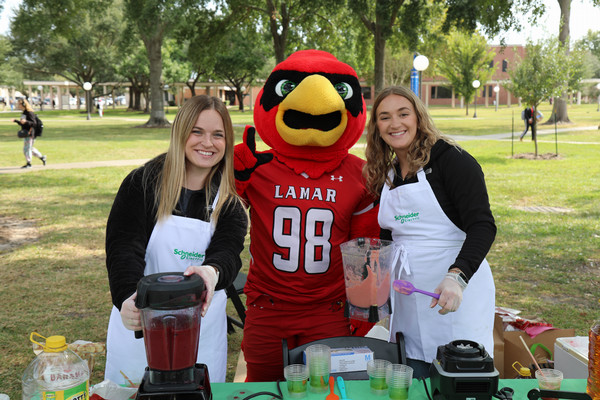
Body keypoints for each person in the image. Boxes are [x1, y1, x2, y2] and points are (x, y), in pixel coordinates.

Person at [234, 50, 380, 382]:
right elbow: (212, 213)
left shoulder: (361, 174)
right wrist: (229, 177)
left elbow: (367, 246)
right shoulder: (256, 166)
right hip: (268, 305)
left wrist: (365, 306)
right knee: (264, 387)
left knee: (324, 389)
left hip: (327, 308)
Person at [104, 95, 248, 385]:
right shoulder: (142, 184)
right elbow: (123, 249)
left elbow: (228, 254)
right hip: (141, 328)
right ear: (180, 132)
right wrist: (126, 300)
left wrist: (210, 272)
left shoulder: (229, 203)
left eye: (217, 135)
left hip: (202, 334)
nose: (207, 143)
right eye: (197, 131)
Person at [363, 86, 496, 379]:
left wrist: (456, 277)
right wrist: (375, 278)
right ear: (377, 128)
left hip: (453, 295)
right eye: (384, 117)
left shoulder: (453, 160)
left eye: (403, 114)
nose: (395, 124)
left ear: (419, 118)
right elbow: (390, 234)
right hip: (408, 299)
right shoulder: (388, 174)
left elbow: (483, 226)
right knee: (411, 376)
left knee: (456, 378)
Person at [12, 98, 46, 169]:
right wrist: (16, 121)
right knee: (30, 148)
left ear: (24, 105)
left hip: (30, 133)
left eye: (19, 104)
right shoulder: (24, 113)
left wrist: (26, 122)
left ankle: (29, 163)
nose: (18, 105)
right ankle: (42, 157)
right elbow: (23, 124)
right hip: (26, 133)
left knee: (26, 149)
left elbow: (34, 123)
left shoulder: (29, 112)